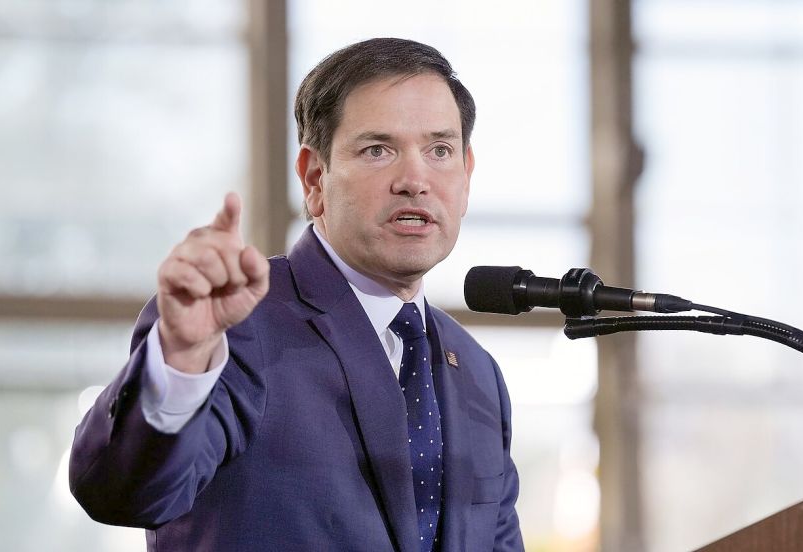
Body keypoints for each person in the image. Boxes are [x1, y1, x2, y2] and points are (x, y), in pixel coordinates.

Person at [69, 37, 524, 552]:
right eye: (379, 150)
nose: (415, 179)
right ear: (314, 178)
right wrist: (182, 357)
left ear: (465, 176)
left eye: (439, 150)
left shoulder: (477, 372)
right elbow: (121, 493)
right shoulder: (234, 328)